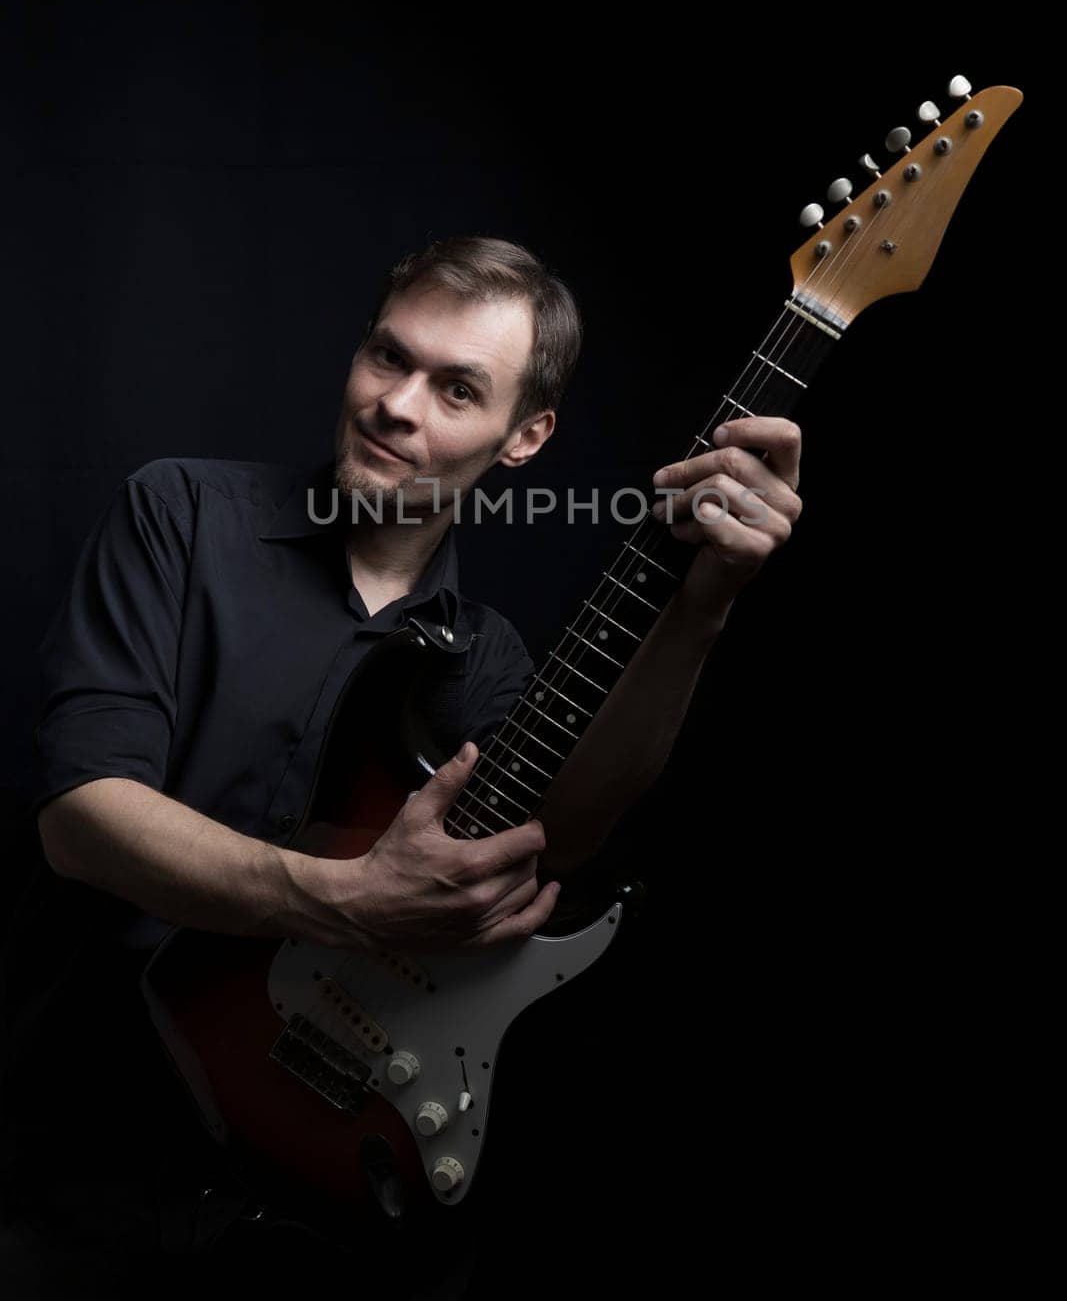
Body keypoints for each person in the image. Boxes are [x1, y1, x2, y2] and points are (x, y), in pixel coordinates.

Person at [1, 235, 803, 1296]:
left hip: (320, 1188)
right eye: (389, 357)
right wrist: (347, 898)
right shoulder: (181, 516)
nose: (395, 402)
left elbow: (555, 847)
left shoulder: (492, 662)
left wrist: (701, 611)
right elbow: (80, 818)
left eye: (456, 388)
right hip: (83, 1142)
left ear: (525, 437)